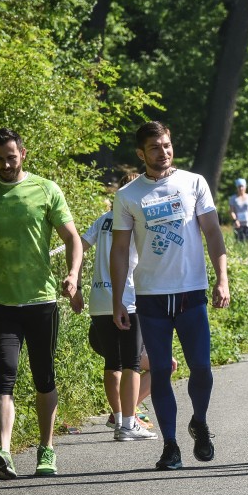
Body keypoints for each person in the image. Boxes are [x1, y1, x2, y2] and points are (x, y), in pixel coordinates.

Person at [0, 128, 82, 479]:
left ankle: (46, 449)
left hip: (41, 300)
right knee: (4, 379)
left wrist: (72, 275)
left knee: (44, 378)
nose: (5, 164)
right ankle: (4, 450)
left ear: (23, 154)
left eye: (10, 157)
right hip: (0, 302)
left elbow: (72, 237)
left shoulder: (46, 189)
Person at [112, 121, 231, 471]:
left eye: (166, 145)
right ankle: (170, 445)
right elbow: (119, 251)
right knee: (161, 370)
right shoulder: (128, 195)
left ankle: (200, 420)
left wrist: (222, 279)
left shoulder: (194, 183)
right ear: (141, 153)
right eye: (154, 148)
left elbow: (212, 233)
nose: (162, 152)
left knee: (202, 369)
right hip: (151, 296)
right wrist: (119, 298)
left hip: (191, 291)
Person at [74, 172, 157, 442]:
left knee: (113, 362)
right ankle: (129, 423)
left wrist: (73, 278)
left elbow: (80, 245)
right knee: (134, 362)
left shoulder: (102, 220)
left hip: (99, 299)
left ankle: (120, 417)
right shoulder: (137, 220)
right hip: (128, 297)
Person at [228, 178, 248, 246]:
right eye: (239, 187)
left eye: (242, 186)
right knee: (239, 242)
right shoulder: (233, 198)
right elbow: (231, 211)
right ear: (237, 188)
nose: (241, 188)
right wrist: (235, 220)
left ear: (245, 187)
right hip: (238, 223)